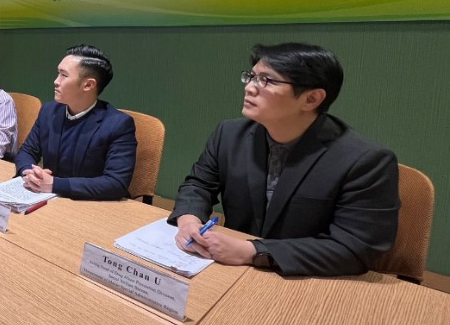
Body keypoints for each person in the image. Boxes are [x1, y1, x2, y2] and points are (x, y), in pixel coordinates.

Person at [169, 42, 399, 277]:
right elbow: (198, 185)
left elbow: (355, 247)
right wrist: (189, 219)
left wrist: (252, 251)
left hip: (305, 278)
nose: (249, 88)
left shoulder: (365, 161)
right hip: (229, 269)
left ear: (311, 99)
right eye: (251, 77)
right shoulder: (229, 135)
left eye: (266, 80)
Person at [14, 44, 136, 200]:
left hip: (91, 205)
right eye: (58, 73)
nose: (56, 81)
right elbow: (27, 151)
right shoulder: (49, 111)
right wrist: (29, 173)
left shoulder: (118, 124)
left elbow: (116, 183)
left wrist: (55, 184)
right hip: (47, 199)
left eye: (64, 75)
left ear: (88, 85)